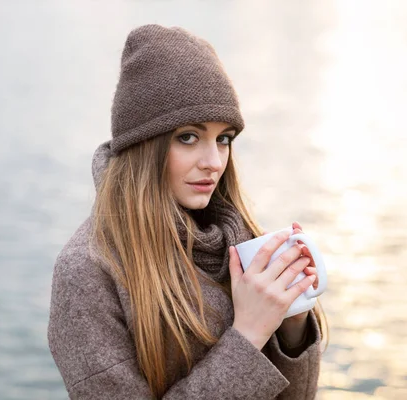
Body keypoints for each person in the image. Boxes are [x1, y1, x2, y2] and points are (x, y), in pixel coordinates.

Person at [48, 24, 328, 399]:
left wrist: (291, 321)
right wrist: (249, 334)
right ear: (144, 145)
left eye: (223, 139)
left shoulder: (239, 238)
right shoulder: (87, 270)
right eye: (188, 137)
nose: (214, 162)